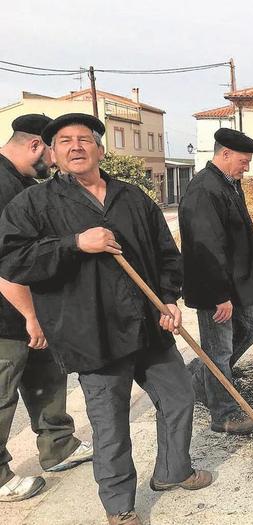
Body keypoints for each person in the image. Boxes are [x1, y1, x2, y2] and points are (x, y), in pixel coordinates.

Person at [0, 113, 211, 525]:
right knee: (111, 425)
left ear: (100, 148)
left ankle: (172, 472)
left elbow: (167, 254)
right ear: (52, 152)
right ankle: (120, 508)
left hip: (148, 325)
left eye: (84, 139)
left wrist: (168, 299)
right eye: (64, 141)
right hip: (91, 333)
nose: (75, 146)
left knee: (178, 396)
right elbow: (12, 259)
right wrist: (74, 243)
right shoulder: (34, 204)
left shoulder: (132, 197)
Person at [0, 114, 93, 503]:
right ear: (37, 146)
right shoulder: (3, 186)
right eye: (53, 153)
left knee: (46, 376)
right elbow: (6, 263)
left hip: (31, 309)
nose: (54, 163)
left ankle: (58, 445)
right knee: (3, 390)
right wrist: (30, 316)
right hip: (7, 313)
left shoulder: (22, 182)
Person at [179, 128, 253, 434]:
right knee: (218, 350)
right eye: (243, 161)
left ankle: (199, 378)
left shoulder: (228, 183)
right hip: (216, 288)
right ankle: (224, 414)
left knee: (250, 329)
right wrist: (219, 295)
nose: (247, 167)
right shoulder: (204, 190)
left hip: (237, 284)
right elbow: (205, 247)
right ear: (224, 154)